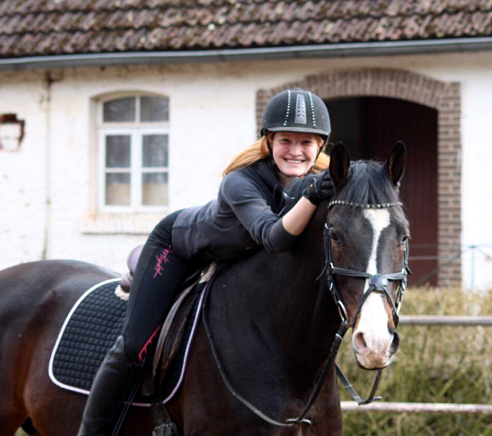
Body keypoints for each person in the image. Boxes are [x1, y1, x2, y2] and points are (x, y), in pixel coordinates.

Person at [77, 88, 334, 435]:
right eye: (286, 140)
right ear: (269, 141)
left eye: (307, 142)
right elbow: (275, 238)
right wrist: (315, 195)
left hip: (240, 259)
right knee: (135, 345)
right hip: (178, 248)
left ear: (320, 146)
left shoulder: (320, 179)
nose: (296, 151)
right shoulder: (240, 181)